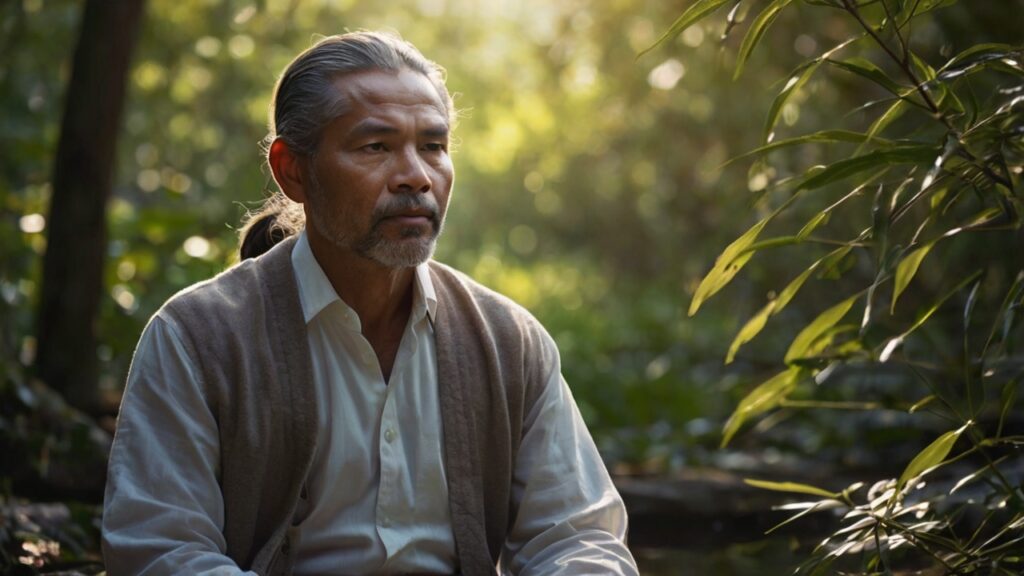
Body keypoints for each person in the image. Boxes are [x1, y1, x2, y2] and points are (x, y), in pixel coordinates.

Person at [102, 31, 638, 575]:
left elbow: (579, 540)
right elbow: (159, 549)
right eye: (376, 147)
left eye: (433, 146)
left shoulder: (507, 342)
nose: (416, 177)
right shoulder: (197, 338)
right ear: (293, 171)